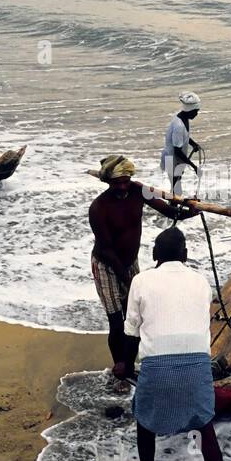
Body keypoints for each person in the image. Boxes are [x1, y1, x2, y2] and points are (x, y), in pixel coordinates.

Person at [124, 227, 225, 461]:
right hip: (198, 366)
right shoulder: (201, 282)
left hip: (157, 368)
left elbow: (131, 332)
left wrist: (123, 364)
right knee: (205, 429)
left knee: (144, 423)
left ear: (154, 254)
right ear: (186, 255)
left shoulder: (141, 281)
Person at [89, 154, 192, 383]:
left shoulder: (138, 190)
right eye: (117, 183)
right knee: (116, 320)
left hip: (130, 261)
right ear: (108, 182)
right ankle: (120, 368)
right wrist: (127, 280)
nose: (123, 187)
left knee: (133, 317)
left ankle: (129, 362)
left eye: (126, 181)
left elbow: (167, 211)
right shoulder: (99, 208)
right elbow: (106, 249)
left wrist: (188, 212)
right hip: (107, 265)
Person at [161, 92, 202, 196]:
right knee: (176, 188)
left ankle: (174, 208)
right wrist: (194, 167)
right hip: (172, 160)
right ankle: (173, 210)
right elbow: (177, 151)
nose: (196, 114)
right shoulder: (179, 126)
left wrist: (193, 143)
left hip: (175, 160)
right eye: (196, 111)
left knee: (176, 187)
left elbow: (184, 137)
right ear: (190, 110)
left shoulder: (183, 118)